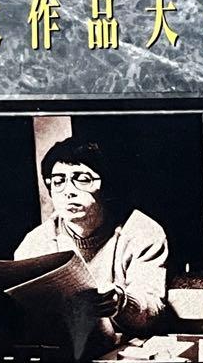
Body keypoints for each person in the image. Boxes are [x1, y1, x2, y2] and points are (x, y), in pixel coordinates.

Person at [15, 139, 168, 337]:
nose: (69, 191)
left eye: (82, 179)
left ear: (107, 185)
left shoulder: (141, 231)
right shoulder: (35, 242)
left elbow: (151, 312)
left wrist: (121, 302)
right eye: (58, 181)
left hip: (127, 345)